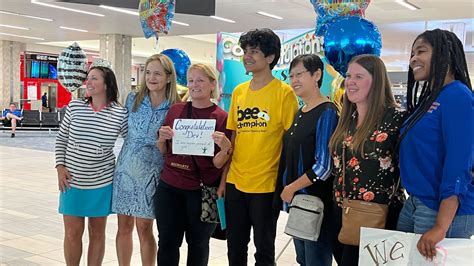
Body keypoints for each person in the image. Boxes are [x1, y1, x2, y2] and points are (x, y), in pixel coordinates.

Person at [220, 28, 299, 265]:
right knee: (235, 245)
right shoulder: (239, 92)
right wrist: (224, 180)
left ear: (270, 57)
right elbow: (233, 140)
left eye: (254, 51)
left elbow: (290, 141)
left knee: (264, 249)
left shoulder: (284, 93)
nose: (247, 56)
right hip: (236, 181)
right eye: (245, 51)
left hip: (266, 184)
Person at [397, 29, 473, 260]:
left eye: (421, 51)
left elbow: (458, 164)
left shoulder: (458, 96)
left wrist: (441, 226)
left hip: (442, 209)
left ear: (444, 54)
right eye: (412, 54)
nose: (413, 59)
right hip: (418, 201)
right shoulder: (432, 97)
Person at [328, 54, 405, 266]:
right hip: (341, 211)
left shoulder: (396, 118)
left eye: (359, 76)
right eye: (349, 76)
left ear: (377, 80)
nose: (350, 82)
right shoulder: (348, 118)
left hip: (375, 216)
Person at [155, 63, 232, 266]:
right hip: (169, 187)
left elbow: (217, 164)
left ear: (212, 84)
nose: (194, 85)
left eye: (200, 80)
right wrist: (162, 139)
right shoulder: (176, 110)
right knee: (167, 243)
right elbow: (164, 151)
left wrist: (225, 149)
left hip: (201, 191)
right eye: (191, 81)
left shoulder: (221, 118)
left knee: (198, 244)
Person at [55, 59, 128, 266]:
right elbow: (62, 138)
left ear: (107, 84)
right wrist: (60, 167)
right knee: (72, 233)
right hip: (72, 181)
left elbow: (132, 142)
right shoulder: (75, 106)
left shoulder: (120, 113)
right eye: (88, 78)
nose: (88, 82)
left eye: (94, 78)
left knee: (97, 233)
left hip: (102, 182)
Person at [112, 54, 180, 265]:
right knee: (123, 226)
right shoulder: (133, 99)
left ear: (169, 77)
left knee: (144, 227)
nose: (151, 77)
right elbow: (121, 127)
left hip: (154, 171)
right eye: (148, 72)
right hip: (126, 168)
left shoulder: (175, 106)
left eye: (157, 73)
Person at [273, 54, 338, 266]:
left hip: (316, 204)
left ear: (317, 75)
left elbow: (324, 167)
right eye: (291, 76)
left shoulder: (327, 112)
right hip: (298, 204)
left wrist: (291, 187)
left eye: (299, 74)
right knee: (303, 259)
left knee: (315, 260)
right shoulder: (300, 111)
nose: (294, 81)